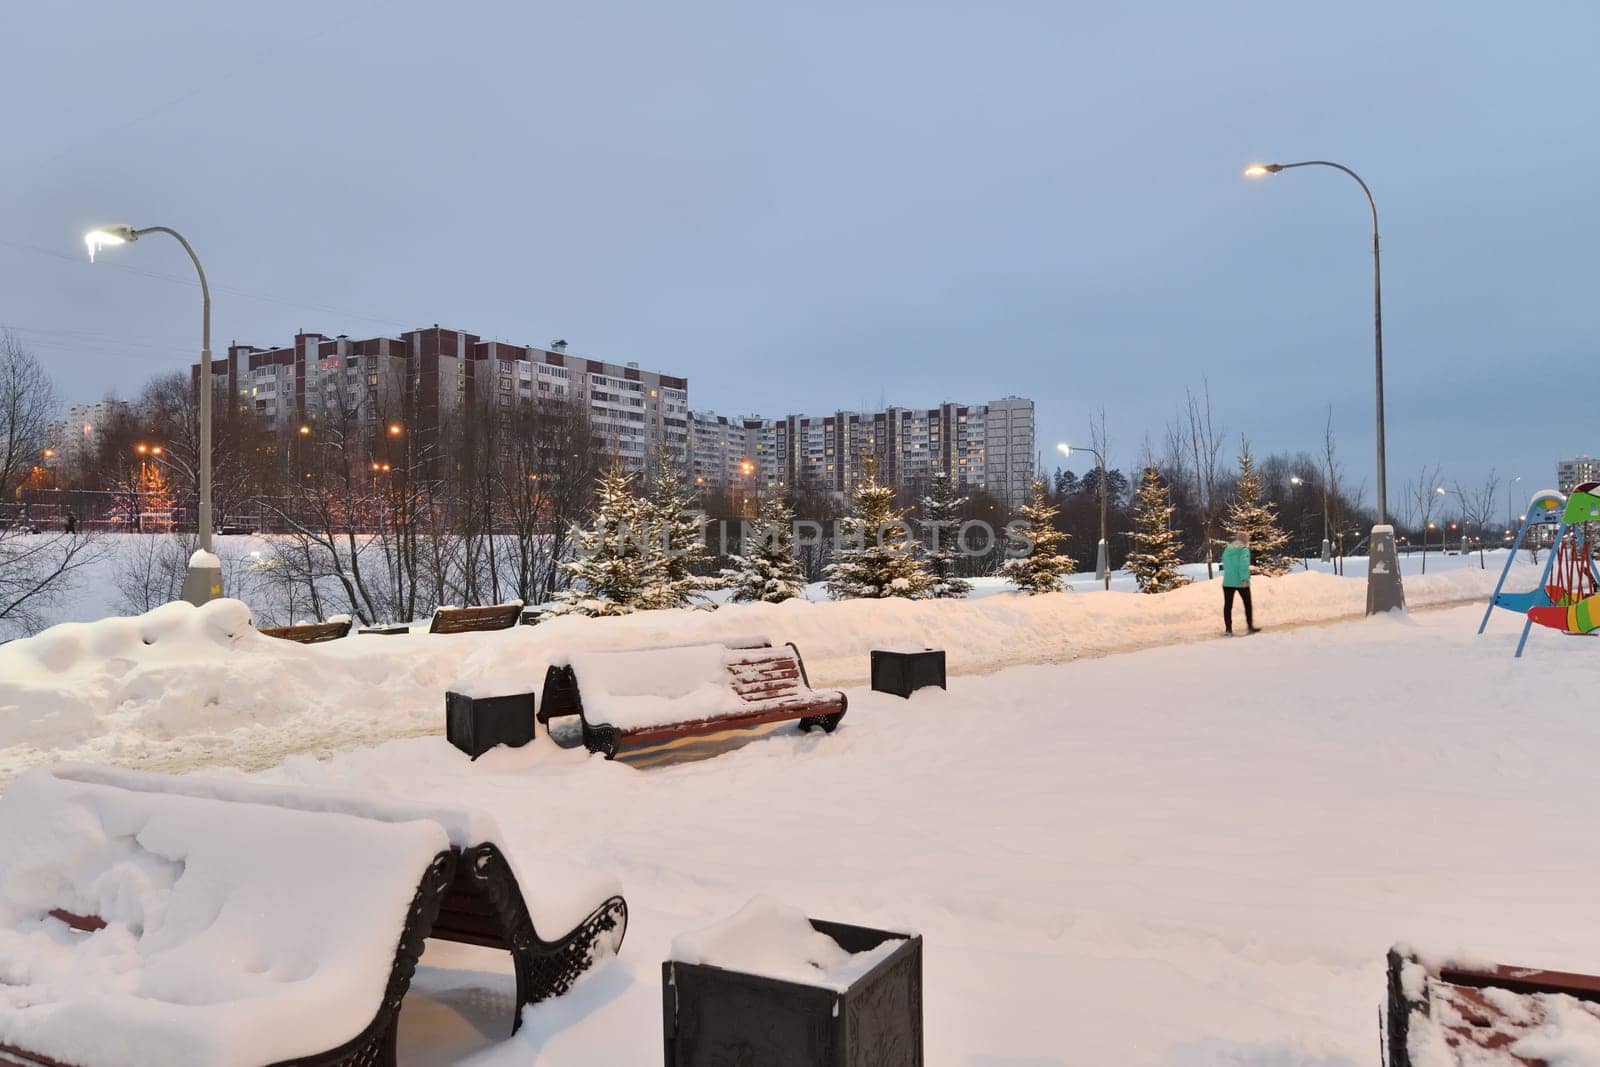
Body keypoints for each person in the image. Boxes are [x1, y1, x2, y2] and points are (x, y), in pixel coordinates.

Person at [1221, 531, 1259, 636]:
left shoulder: (1228, 549)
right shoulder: (1244, 550)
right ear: (1245, 540)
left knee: (1228, 605)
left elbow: (1224, 562)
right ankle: (1250, 627)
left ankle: (1228, 629)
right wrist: (1244, 579)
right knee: (1247, 604)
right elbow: (1243, 565)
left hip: (1227, 582)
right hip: (1241, 582)